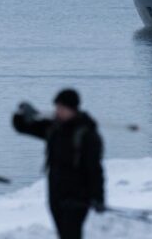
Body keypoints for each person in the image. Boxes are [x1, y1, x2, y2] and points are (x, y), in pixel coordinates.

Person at [12, 88, 105, 239]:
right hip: (56, 194)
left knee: (71, 234)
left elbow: (95, 168)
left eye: (62, 108)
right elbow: (24, 127)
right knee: (63, 234)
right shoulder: (54, 128)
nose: (58, 111)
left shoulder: (87, 134)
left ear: (72, 109)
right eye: (57, 107)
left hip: (77, 197)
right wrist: (21, 114)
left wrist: (98, 197)